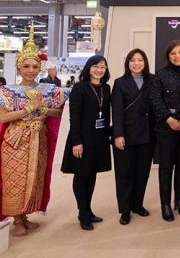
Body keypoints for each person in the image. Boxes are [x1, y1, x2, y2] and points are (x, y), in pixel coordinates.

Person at [0, 26, 68, 237]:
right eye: (26, 66)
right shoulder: (7, 91)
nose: (30, 70)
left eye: (35, 66)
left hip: (39, 139)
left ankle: (25, 216)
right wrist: (28, 109)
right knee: (15, 178)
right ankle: (16, 219)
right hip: (16, 140)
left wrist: (44, 109)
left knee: (35, 177)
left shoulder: (48, 90)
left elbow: (60, 113)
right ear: (19, 67)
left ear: (40, 68)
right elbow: (2, 117)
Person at [61, 55, 112, 231]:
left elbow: (106, 114)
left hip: (99, 138)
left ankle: (88, 210)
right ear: (89, 68)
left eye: (103, 67)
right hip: (82, 139)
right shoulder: (80, 87)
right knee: (81, 175)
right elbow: (74, 117)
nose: (99, 70)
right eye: (95, 66)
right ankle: (82, 213)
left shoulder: (106, 88)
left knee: (92, 175)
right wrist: (77, 142)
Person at [151, 40, 180, 222]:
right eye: (173, 53)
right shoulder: (160, 75)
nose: (177, 56)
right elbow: (155, 100)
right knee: (166, 166)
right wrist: (169, 120)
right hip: (166, 127)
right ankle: (165, 204)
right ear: (168, 56)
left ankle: (179, 200)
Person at [111, 49, 156, 225]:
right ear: (127, 63)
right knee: (124, 174)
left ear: (145, 62)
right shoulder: (120, 83)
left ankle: (137, 205)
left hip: (147, 134)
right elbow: (117, 111)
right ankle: (125, 210)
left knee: (142, 172)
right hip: (126, 135)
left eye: (140, 60)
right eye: (132, 60)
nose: (136, 63)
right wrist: (118, 135)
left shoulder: (153, 80)